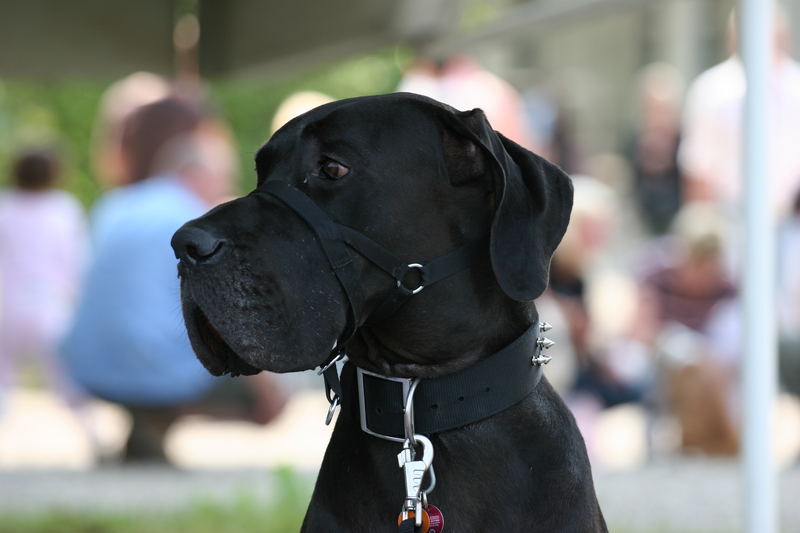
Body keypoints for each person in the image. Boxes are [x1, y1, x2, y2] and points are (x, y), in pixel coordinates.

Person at [60, 96, 287, 463]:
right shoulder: (192, 219)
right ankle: (154, 426)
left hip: (83, 364)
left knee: (146, 334)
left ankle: (144, 433)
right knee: (262, 367)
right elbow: (227, 315)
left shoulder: (115, 204)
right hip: (152, 369)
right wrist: (269, 389)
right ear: (195, 174)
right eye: (219, 178)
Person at [0, 148, 97, 441]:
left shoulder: (4, 207)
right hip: (49, 308)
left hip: (5, 307)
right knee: (69, 381)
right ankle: (94, 437)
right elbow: (78, 262)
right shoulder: (63, 209)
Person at [679, 7, 800, 217]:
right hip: (730, 215)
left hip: (792, 217)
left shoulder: (796, 84)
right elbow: (698, 167)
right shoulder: (713, 89)